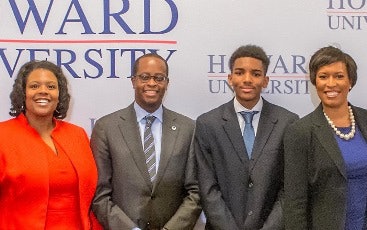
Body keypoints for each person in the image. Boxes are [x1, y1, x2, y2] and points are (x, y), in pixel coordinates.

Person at [91, 53, 201, 230]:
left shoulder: (188, 128)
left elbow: (195, 191)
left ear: (167, 83)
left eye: (159, 78)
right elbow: (99, 194)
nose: (152, 83)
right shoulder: (106, 127)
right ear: (133, 81)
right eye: (144, 77)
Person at [194, 45, 299, 229]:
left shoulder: (287, 123)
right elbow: (207, 187)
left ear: (265, 81)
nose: (247, 80)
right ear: (230, 78)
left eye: (256, 74)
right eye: (240, 73)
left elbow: (289, 188)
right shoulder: (208, 124)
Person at [0, 60, 98, 229]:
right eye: (35, 86)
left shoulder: (77, 134)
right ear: (23, 93)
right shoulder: (3, 135)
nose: (43, 91)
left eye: (51, 87)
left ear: (60, 94)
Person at [284, 46, 367, 229]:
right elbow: (294, 202)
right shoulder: (300, 131)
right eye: (323, 76)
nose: (331, 84)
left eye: (339, 76)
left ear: (350, 81)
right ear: (315, 82)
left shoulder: (365, 120)